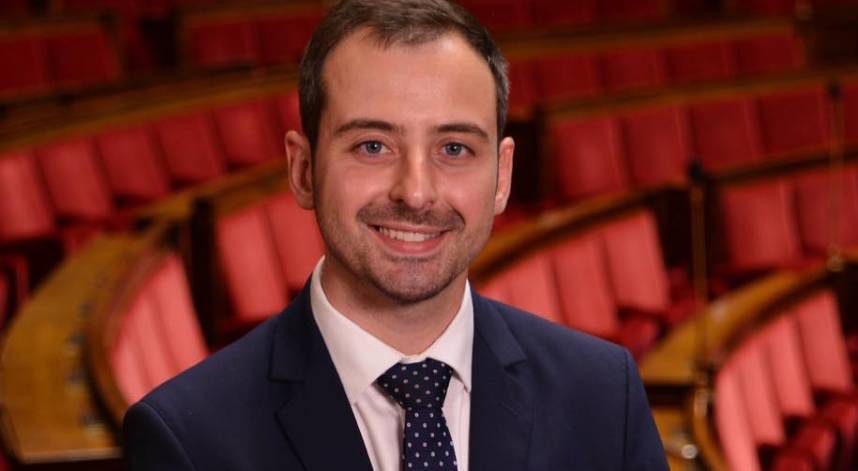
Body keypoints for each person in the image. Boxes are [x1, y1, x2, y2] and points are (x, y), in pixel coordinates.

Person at [123, 0, 668, 469]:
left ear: (502, 176)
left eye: (454, 148)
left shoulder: (603, 396)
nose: (416, 192)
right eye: (373, 146)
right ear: (303, 170)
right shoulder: (189, 440)